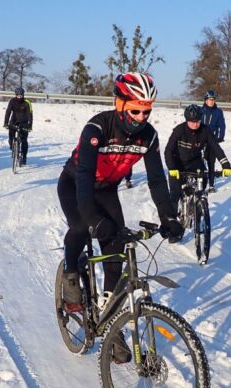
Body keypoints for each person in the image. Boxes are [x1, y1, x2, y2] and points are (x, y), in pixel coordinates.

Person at [57, 72, 184, 363]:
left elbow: (156, 180)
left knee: (116, 253)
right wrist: (92, 220)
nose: (141, 117)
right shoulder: (97, 128)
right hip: (76, 183)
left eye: (147, 110)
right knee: (80, 227)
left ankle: (111, 326)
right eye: (135, 109)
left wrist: (169, 217)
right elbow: (86, 176)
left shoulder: (149, 136)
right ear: (119, 103)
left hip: (107, 190)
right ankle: (71, 274)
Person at [165, 104, 231, 215]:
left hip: (195, 161)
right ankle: (172, 220)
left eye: (197, 121)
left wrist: (226, 165)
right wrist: (172, 167)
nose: (195, 124)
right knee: (175, 193)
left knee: (203, 181)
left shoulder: (205, 130)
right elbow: (168, 151)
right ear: (187, 120)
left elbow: (216, 148)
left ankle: (198, 204)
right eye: (192, 121)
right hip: (177, 162)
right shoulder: (179, 130)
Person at [3, 87, 33, 166]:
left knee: (24, 141)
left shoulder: (27, 102)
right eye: (18, 95)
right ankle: (13, 148)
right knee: (10, 138)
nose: (19, 97)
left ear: (23, 95)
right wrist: (6, 123)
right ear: (15, 95)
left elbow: (30, 115)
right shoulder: (12, 101)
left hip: (24, 123)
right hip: (14, 122)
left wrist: (29, 126)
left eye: (21, 95)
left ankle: (24, 157)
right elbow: (8, 112)